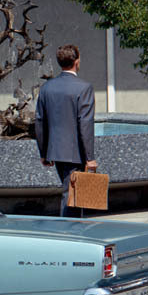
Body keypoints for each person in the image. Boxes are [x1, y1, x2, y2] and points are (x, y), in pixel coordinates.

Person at [35, 44, 97, 218]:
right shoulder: (84, 87)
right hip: (75, 152)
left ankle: (73, 230)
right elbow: (85, 123)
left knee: (72, 194)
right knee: (72, 196)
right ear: (77, 62)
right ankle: (70, 233)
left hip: (55, 150)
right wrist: (90, 157)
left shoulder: (47, 87)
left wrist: (44, 152)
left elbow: (40, 122)